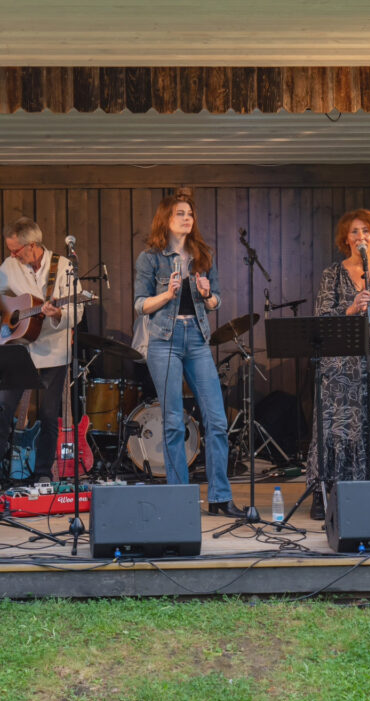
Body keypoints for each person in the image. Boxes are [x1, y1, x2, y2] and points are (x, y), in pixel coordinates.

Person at [133, 189, 241, 517]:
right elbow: (140, 305)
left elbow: (216, 301)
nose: (187, 218)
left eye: (190, 214)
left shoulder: (202, 255)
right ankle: (179, 498)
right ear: (166, 219)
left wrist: (208, 296)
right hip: (163, 340)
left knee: (217, 420)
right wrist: (166, 294)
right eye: (180, 213)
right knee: (174, 423)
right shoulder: (150, 257)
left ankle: (220, 496)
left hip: (195, 338)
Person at [306, 209, 370, 519]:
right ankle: (328, 492)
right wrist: (350, 310)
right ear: (345, 238)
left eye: (365, 231)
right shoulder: (331, 275)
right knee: (337, 429)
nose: (360, 236)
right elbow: (320, 324)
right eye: (354, 231)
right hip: (340, 372)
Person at [0, 217, 82, 493]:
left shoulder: (64, 267)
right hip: (20, 347)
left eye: (16, 250)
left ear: (32, 245)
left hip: (54, 349)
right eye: (10, 250)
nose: (12, 255)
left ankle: (44, 474)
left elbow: (78, 310)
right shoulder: (11, 265)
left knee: (49, 414)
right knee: (2, 409)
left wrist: (59, 312)